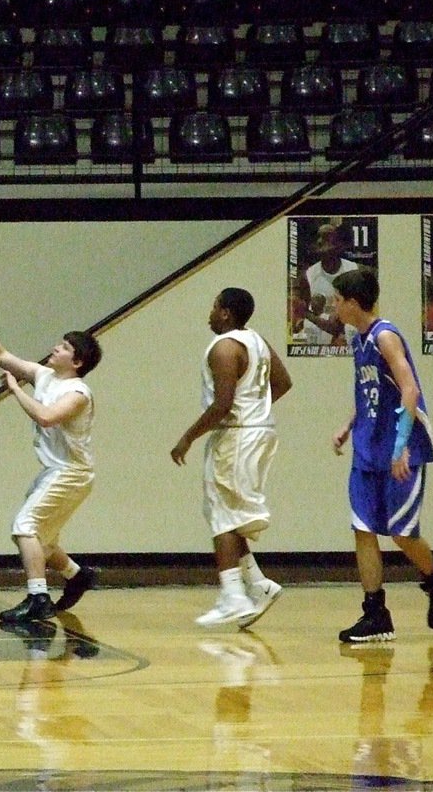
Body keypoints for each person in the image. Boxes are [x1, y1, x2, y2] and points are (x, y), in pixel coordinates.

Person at [329, 268, 433, 642]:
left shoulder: (385, 336)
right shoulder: (358, 341)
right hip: (368, 447)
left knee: (402, 533)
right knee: (363, 529)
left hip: (401, 448)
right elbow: (369, 391)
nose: (334, 306)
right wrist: (348, 424)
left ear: (353, 303)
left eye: (338, 300)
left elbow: (409, 390)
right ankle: (375, 613)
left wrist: (400, 446)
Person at [0, 310, 102, 622]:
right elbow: (0, 354)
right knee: (40, 538)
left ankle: (38, 596)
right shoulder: (44, 375)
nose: (57, 347)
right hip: (56, 472)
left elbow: (46, 416)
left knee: (25, 527)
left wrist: (15, 389)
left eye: (65, 347)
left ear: (77, 362)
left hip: (72, 472)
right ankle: (76, 575)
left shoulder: (78, 393)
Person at [171, 288, 292, 629]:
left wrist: (186, 438)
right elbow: (282, 383)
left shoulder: (224, 348)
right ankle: (257, 584)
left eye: (213, 306)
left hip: (238, 434)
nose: (209, 313)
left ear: (225, 313)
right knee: (225, 511)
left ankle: (232, 596)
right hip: (256, 431)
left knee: (223, 516)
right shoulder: (256, 340)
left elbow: (222, 405)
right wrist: (257, 410)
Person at [299, 222, 359, 346]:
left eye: (326, 236)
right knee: (310, 326)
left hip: (347, 327)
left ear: (339, 244)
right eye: (318, 237)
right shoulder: (309, 274)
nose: (320, 241)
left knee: (350, 328)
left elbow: (355, 309)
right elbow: (303, 311)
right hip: (321, 329)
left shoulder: (352, 269)